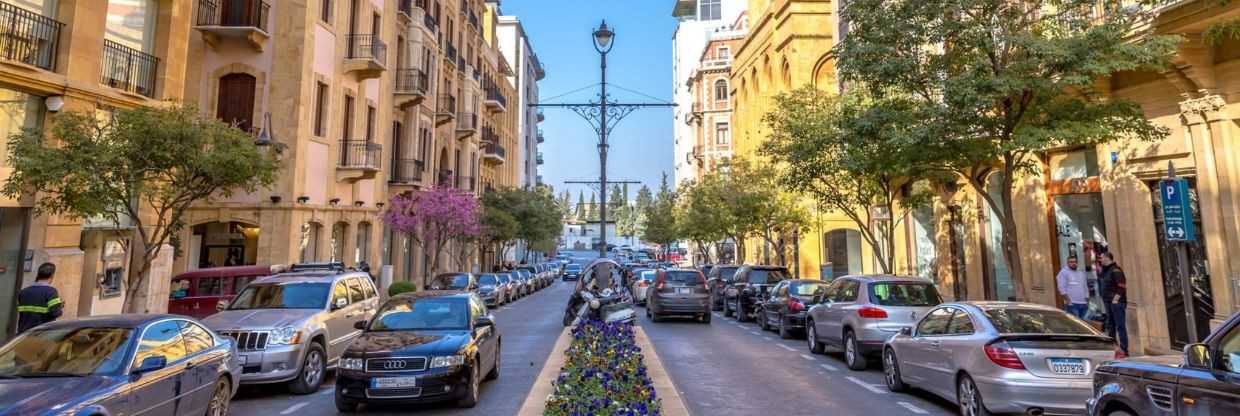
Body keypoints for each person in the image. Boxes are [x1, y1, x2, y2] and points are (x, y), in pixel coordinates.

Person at [16, 263, 64, 334]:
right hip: (41, 334)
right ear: (52, 275)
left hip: (23, 335)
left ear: (38, 274)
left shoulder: (23, 292)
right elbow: (55, 313)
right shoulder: (51, 292)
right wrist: (60, 306)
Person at [1098, 252, 1128, 354]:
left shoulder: (1116, 270)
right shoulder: (1106, 271)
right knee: (1110, 325)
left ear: (1107, 258)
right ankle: (1113, 348)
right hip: (1108, 302)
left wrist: (1115, 300)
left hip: (1116, 303)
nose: (1100, 260)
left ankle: (1124, 349)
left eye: (1101, 258)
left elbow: (1121, 286)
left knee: (1120, 326)